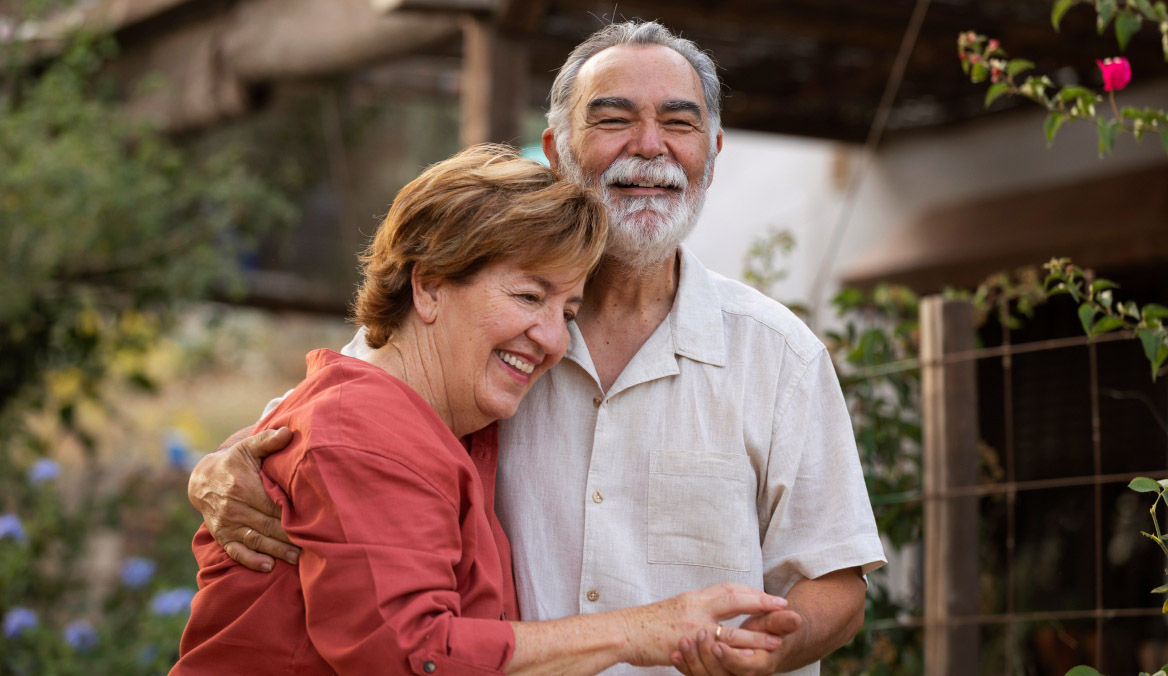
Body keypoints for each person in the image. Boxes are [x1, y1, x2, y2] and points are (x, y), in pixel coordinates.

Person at [189, 21, 886, 676]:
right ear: (555, 150)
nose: (650, 145)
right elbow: (335, 422)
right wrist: (220, 468)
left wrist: (765, 646)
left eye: (679, 122)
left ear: (712, 152)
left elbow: (835, 583)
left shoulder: (779, 355)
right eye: (614, 119)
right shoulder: (473, 336)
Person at [172, 145, 796, 676]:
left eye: (569, 312)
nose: (553, 338)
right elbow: (413, 656)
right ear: (428, 285)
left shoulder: (455, 416)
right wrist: (641, 631)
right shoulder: (362, 428)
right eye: (528, 295)